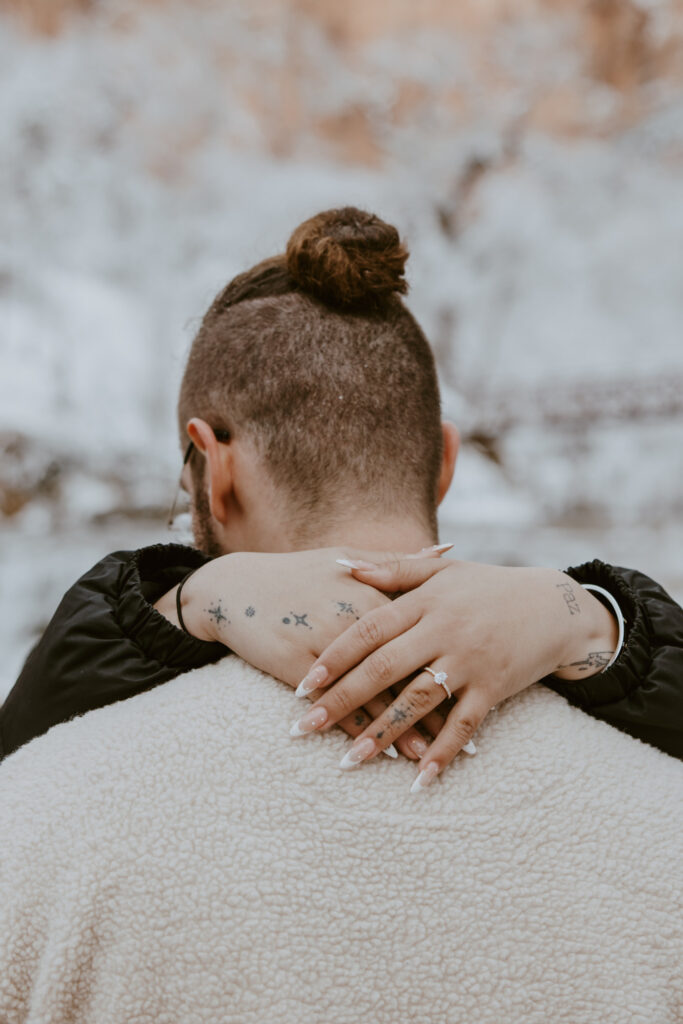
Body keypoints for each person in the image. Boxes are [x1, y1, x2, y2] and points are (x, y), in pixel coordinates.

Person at [1, 207, 682, 788]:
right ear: (444, 461)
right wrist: (594, 619)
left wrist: (186, 599)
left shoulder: (94, 768)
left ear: (214, 469)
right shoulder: (632, 761)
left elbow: (22, 750)